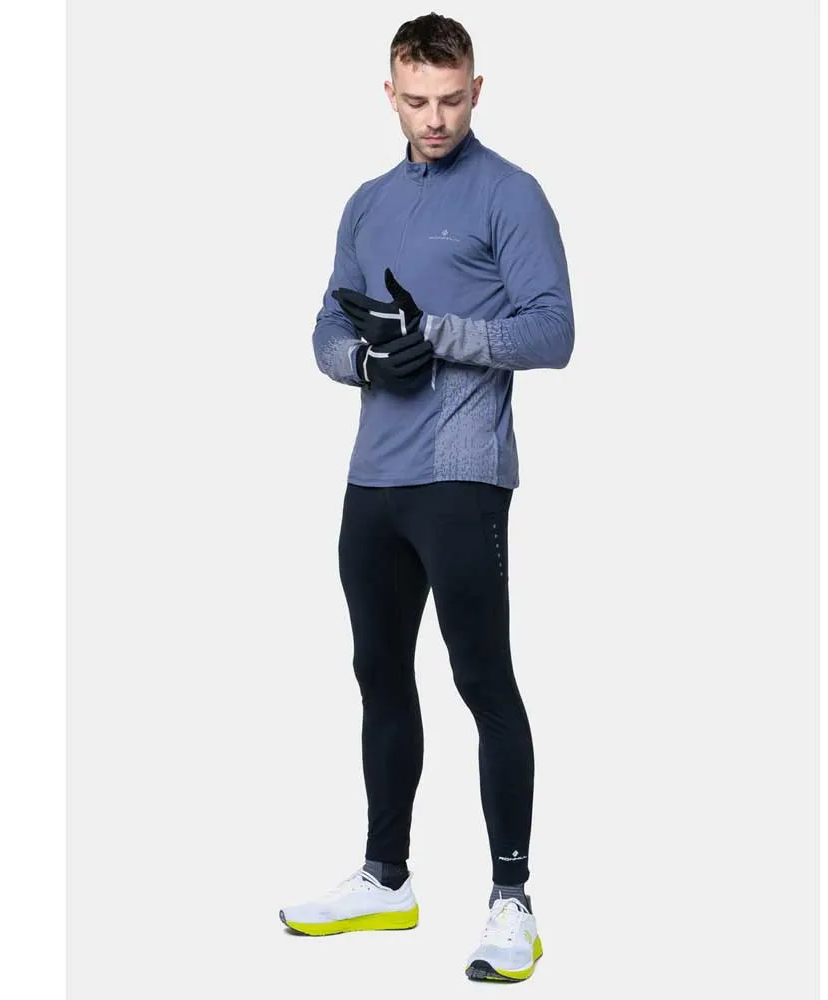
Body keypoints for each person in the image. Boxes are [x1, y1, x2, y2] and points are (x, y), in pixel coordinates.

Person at [279, 12, 574, 983]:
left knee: (482, 678)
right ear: (391, 94)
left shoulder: (509, 193)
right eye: (416, 101)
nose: (435, 118)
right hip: (373, 479)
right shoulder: (366, 203)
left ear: (476, 90)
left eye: (451, 100)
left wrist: (438, 333)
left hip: (462, 475)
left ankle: (512, 901)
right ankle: (385, 878)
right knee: (376, 671)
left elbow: (553, 331)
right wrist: (365, 359)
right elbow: (325, 326)